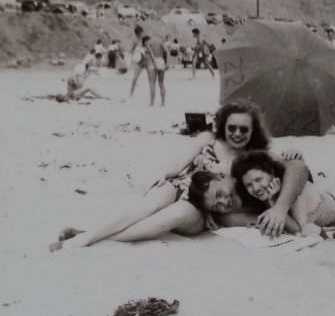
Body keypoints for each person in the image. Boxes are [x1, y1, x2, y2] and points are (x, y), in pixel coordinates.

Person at [50, 100, 308, 248]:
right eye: (232, 128)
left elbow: (293, 167)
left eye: (244, 129)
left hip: (204, 207)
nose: (237, 134)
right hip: (182, 185)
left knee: (175, 214)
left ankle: (87, 239)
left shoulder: (256, 155)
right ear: (223, 126)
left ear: (253, 131)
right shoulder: (207, 139)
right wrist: (161, 177)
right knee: (150, 204)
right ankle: (89, 235)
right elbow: (175, 166)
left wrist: (294, 153)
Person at [218, 150, 335, 235]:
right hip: (333, 198)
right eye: (249, 185)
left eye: (258, 180)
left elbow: (299, 229)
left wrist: (273, 202)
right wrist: (270, 200)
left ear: (272, 174)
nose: (256, 188)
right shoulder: (274, 195)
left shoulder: (293, 191)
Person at [142, 34, 167, 107]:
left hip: (153, 62)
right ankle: (163, 103)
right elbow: (165, 52)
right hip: (161, 61)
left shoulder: (148, 43)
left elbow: (150, 54)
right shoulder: (161, 42)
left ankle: (152, 103)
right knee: (161, 83)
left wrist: (155, 64)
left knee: (152, 84)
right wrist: (165, 63)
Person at [129, 25, 147, 97]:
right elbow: (132, 50)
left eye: (142, 32)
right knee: (135, 77)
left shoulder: (143, 39)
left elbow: (146, 48)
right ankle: (131, 93)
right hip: (137, 59)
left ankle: (133, 89)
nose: (142, 34)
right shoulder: (135, 40)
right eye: (141, 33)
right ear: (138, 33)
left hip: (143, 58)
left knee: (136, 77)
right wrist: (135, 56)